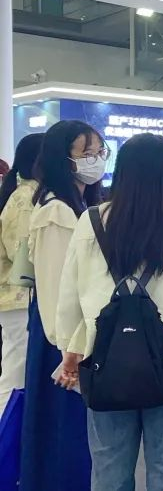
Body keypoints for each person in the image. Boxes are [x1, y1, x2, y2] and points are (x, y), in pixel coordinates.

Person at [55, 134, 163, 491]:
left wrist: (69, 349)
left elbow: (70, 291)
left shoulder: (91, 220)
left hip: (103, 354)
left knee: (108, 466)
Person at [22, 120, 107, 490]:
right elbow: (56, 290)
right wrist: (69, 353)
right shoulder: (56, 211)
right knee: (62, 435)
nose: (95, 160)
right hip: (62, 341)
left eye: (100, 152)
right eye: (86, 153)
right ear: (63, 158)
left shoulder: (82, 205)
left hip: (76, 337)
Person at [0, 133, 43, 412]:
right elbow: (24, 256)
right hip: (20, 299)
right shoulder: (26, 198)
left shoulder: (26, 193)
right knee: (16, 376)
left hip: (20, 299)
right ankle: (6, 430)